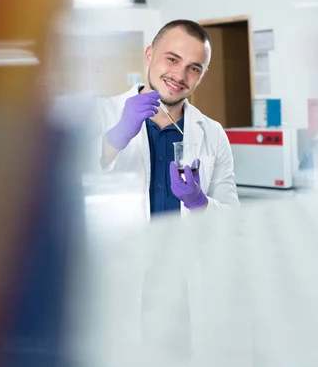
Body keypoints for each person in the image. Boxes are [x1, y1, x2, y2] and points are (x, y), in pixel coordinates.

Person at [97, 19, 239, 218]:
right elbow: (61, 188)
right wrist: (115, 138)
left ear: (201, 76)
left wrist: (200, 203)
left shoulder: (213, 133)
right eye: (172, 59)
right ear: (149, 55)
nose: (180, 76)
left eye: (194, 68)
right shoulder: (101, 114)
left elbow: (231, 217)